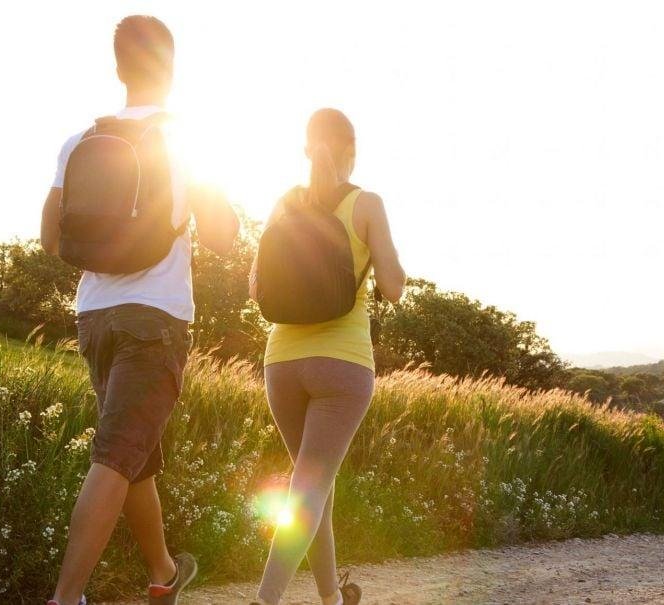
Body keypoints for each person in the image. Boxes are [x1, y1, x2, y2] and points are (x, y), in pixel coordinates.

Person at [39, 15, 239, 605]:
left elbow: (50, 238)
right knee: (116, 457)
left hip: (93, 316)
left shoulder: (79, 141)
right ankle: (65, 598)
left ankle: (163, 573)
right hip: (155, 318)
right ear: (170, 72)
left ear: (119, 69)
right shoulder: (183, 144)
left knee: (135, 457)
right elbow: (225, 238)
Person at [248, 108, 407, 605]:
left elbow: (255, 286)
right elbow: (395, 288)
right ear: (351, 152)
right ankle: (264, 601)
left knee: (315, 487)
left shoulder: (283, 205)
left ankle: (333, 600)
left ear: (306, 149)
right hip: (342, 362)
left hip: (282, 361)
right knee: (310, 489)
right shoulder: (367, 204)